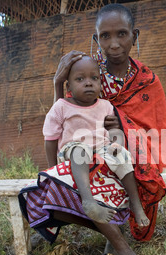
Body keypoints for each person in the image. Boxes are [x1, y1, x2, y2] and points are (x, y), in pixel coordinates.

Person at [19, 3, 166, 255]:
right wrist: (57, 83)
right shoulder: (86, 72)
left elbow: (157, 132)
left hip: (127, 159)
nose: (113, 44)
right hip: (86, 156)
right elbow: (62, 116)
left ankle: (122, 251)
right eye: (105, 36)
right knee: (55, 193)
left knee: (107, 171)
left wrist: (123, 129)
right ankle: (120, 246)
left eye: (122, 34)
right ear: (96, 39)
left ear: (134, 36)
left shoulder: (147, 82)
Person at [42, 55, 150, 227]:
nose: (88, 83)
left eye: (94, 78)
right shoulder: (61, 106)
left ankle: (135, 204)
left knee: (122, 155)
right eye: (80, 79)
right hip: (72, 150)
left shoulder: (105, 105)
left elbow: (113, 129)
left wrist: (117, 144)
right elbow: (50, 138)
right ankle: (88, 201)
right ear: (68, 86)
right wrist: (52, 168)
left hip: (102, 148)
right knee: (81, 151)